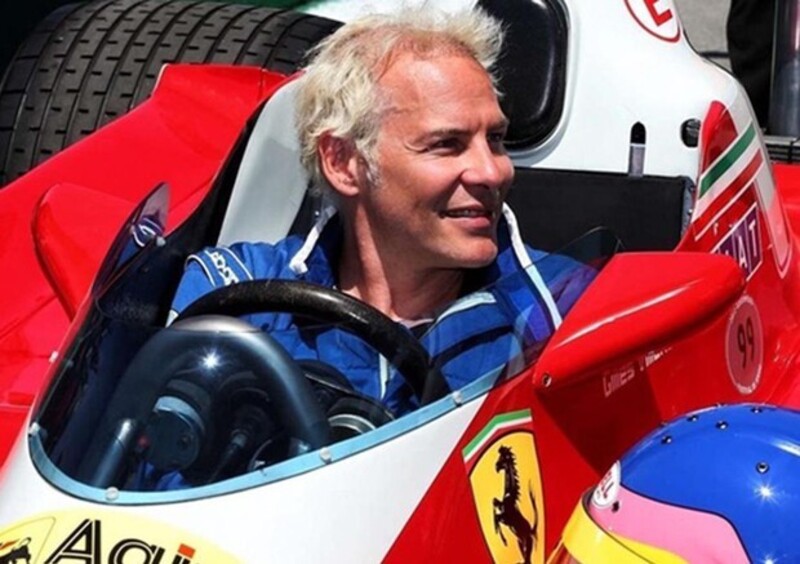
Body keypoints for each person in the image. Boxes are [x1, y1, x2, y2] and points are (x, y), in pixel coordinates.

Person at [168, 8, 588, 415]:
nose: (492, 172)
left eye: (495, 139)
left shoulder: (570, 310)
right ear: (343, 162)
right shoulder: (233, 291)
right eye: (447, 144)